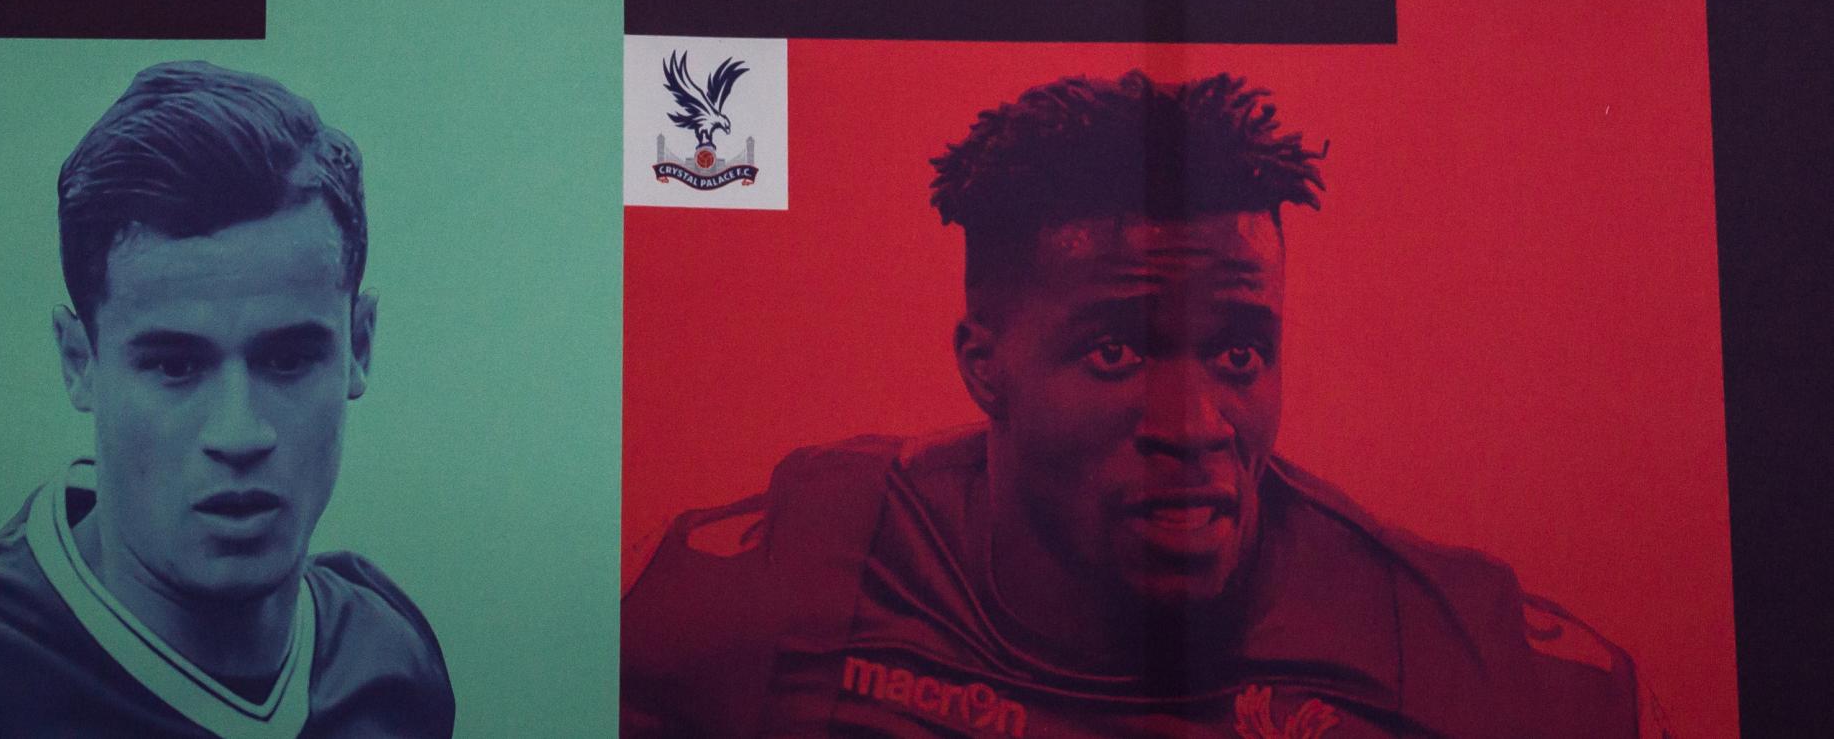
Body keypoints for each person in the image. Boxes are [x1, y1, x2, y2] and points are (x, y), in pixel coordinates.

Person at [621, 71, 1669, 738]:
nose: (1195, 423)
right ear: (984, 364)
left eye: (1239, 350)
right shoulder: (797, 572)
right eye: (1116, 349)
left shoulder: (1463, 655)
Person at [0, 61, 454, 737]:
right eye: (175, 365)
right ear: (79, 361)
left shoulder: (384, 653)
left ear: (359, 344)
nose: (239, 433)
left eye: (288, 358)